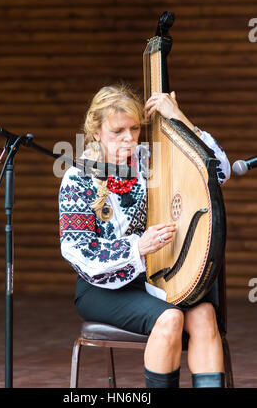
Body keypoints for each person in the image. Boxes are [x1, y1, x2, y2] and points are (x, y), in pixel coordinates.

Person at [59, 84, 231, 388]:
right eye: (118, 131)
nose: (129, 138)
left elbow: (218, 173)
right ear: (96, 132)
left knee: (204, 315)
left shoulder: (150, 160)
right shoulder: (78, 176)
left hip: (158, 276)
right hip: (102, 287)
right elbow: (78, 251)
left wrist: (179, 118)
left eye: (135, 128)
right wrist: (137, 247)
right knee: (170, 319)